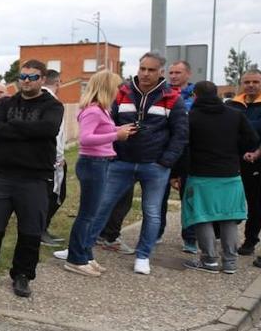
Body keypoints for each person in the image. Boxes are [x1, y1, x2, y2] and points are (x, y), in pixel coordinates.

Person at [0, 59, 64, 297]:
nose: (26, 81)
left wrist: (14, 128)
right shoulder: (6, 103)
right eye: (23, 77)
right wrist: (29, 131)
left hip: (34, 178)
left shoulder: (53, 106)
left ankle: (22, 275)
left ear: (42, 79)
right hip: (2, 176)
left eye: (32, 77)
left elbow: (48, 129)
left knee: (30, 230)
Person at [83, 52, 188, 276]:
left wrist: (166, 161)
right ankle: (81, 250)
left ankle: (143, 256)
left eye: (151, 70)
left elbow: (180, 135)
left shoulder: (172, 98)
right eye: (142, 68)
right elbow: (108, 123)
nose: (145, 74)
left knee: (151, 212)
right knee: (101, 206)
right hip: (121, 162)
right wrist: (112, 153)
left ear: (161, 71)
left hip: (155, 166)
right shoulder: (122, 93)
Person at [175, 80, 259, 273]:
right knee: (228, 217)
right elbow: (253, 140)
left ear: (195, 95)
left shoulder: (191, 117)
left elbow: (182, 147)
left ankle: (209, 260)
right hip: (230, 174)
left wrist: (178, 173)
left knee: (202, 216)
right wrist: (234, 149)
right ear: (217, 95)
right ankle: (230, 262)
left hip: (201, 174)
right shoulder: (235, 115)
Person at [57, 70, 135, 276]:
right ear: (107, 88)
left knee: (91, 214)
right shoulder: (93, 110)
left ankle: (85, 255)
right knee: (87, 215)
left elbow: (99, 133)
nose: (120, 91)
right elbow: (86, 138)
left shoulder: (102, 110)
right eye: (117, 87)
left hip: (99, 163)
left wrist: (118, 129)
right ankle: (75, 258)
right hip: (93, 164)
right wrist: (117, 134)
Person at [159, 59, 198, 253]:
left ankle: (190, 238)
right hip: (163, 151)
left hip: (188, 153)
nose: (173, 76)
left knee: (189, 197)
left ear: (188, 74)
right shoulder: (161, 92)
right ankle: (156, 232)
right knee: (158, 196)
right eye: (171, 73)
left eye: (178, 73)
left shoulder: (196, 96)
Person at [226, 69, 261, 258]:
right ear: (241, 83)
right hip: (233, 161)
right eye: (247, 82)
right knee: (230, 200)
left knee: (255, 204)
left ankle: (250, 240)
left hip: (257, 162)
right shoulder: (232, 105)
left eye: (255, 82)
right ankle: (222, 233)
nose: (251, 85)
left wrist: (256, 153)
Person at [40, 70, 68, 247]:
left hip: (43, 157)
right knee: (52, 195)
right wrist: (58, 158)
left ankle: (43, 228)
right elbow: (56, 134)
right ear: (58, 83)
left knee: (50, 195)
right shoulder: (53, 104)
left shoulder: (38, 99)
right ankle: (40, 230)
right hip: (50, 159)